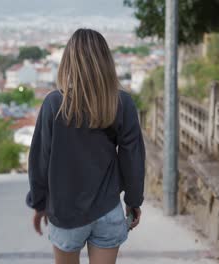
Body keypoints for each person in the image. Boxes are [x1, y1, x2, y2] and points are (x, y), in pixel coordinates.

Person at [26, 28, 145, 264]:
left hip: (65, 213)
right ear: (105, 62)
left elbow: (40, 160)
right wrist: (133, 201)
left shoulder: (54, 104)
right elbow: (133, 159)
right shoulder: (121, 103)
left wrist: (39, 203)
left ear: (69, 61)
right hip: (108, 209)